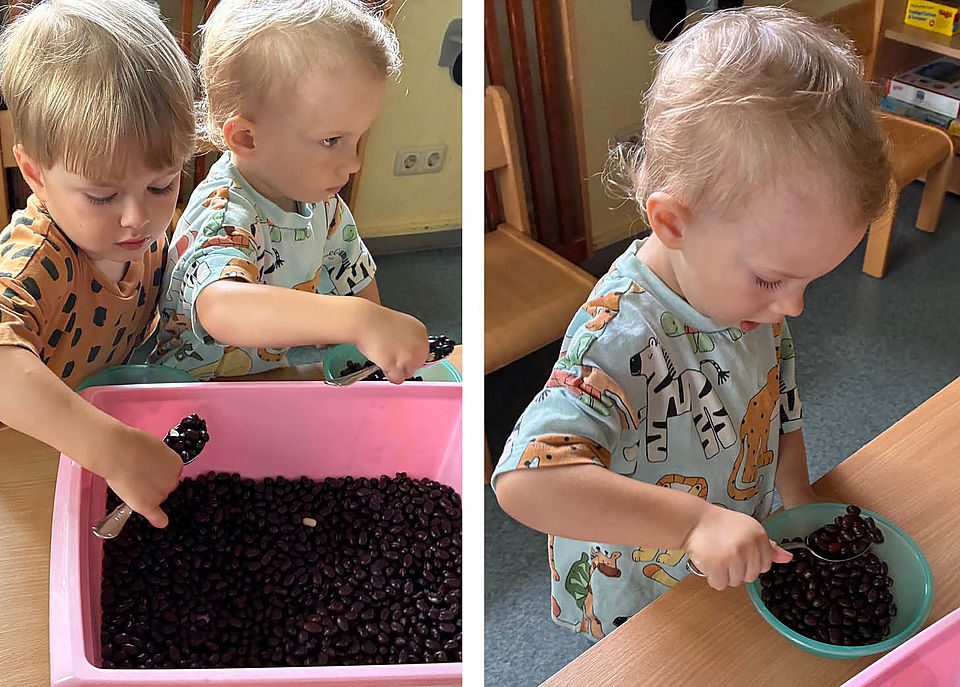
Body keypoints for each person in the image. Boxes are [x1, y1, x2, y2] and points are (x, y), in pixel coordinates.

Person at [492, 6, 893, 640]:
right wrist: (694, 524)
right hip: (642, 593)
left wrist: (796, 497)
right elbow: (524, 485)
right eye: (775, 280)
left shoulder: (748, 299)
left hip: (729, 557)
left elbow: (776, 403)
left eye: (809, 281)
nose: (793, 307)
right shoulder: (618, 339)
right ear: (673, 222)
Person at [150, 0, 428, 383]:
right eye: (331, 140)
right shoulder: (223, 212)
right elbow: (221, 309)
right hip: (193, 392)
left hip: (268, 382)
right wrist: (357, 320)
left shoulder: (323, 205)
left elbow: (356, 279)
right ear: (247, 138)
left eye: (358, 138)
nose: (353, 163)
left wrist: (375, 340)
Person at [0, 0, 196, 528]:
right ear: (35, 175)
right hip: (25, 464)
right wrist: (109, 448)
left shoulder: (148, 236)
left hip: (103, 444)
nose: (137, 218)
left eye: (162, 185)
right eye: (103, 196)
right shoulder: (36, 259)